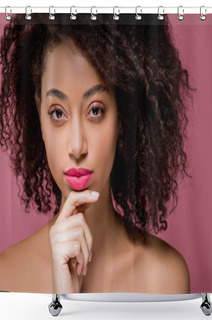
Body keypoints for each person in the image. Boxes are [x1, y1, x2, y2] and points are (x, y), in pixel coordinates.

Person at [0, 13, 194, 294]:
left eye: (95, 110)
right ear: (39, 116)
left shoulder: (165, 277)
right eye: (57, 113)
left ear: (121, 118)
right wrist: (64, 298)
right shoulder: (7, 277)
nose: (77, 147)